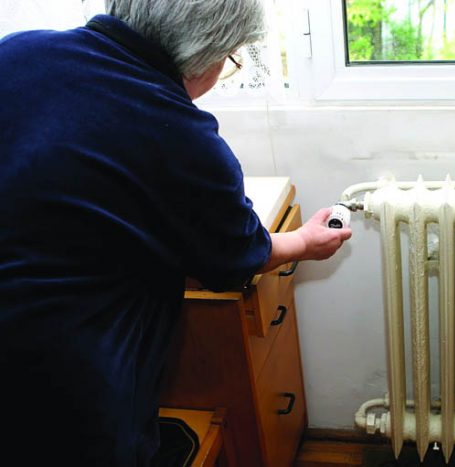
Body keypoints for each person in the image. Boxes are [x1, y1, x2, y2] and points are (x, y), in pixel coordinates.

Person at [0, 0, 352, 465]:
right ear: (206, 54)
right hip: (68, 381)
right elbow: (234, 259)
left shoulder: (17, 51)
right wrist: (304, 242)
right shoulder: (182, 137)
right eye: (229, 59)